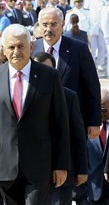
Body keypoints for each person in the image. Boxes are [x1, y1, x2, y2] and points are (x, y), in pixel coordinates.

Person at [0, 24, 70, 204]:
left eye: (21, 46)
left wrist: (61, 164)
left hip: (39, 165)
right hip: (4, 165)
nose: (16, 51)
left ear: (31, 46)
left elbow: (60, 122)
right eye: (11, 47)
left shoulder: (50, 76)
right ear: (3, 49)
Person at [32, 6, 102, 139]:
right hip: (40, 123)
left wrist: (94, 121)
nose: (48, 29)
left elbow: (92, 86)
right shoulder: (32, 48)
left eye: (54, 24)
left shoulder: (78, 49)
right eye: (45, 25)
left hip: (72, 121)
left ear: (62, 24)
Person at [33, 51, 88, 205]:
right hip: (34, 173)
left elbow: (78, 136)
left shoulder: (69, 97)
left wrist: (82, 169)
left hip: (63, 172)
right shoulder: (25, 96)